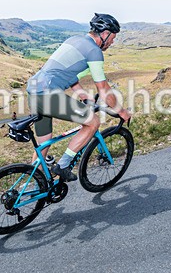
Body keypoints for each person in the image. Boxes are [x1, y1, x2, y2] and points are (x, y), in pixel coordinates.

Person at [26, 13, 131, 182]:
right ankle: (63, 166)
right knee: (93, 122)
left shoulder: (74, 40)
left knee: (44, 143)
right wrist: (121, 111)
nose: (112, 42)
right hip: (47, 94)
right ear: (105, 34)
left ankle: (40, 184)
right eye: (113, 37)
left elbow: (66, 71)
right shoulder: (94, 51)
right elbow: (103, 88)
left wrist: (82, 94)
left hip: (33, 91)